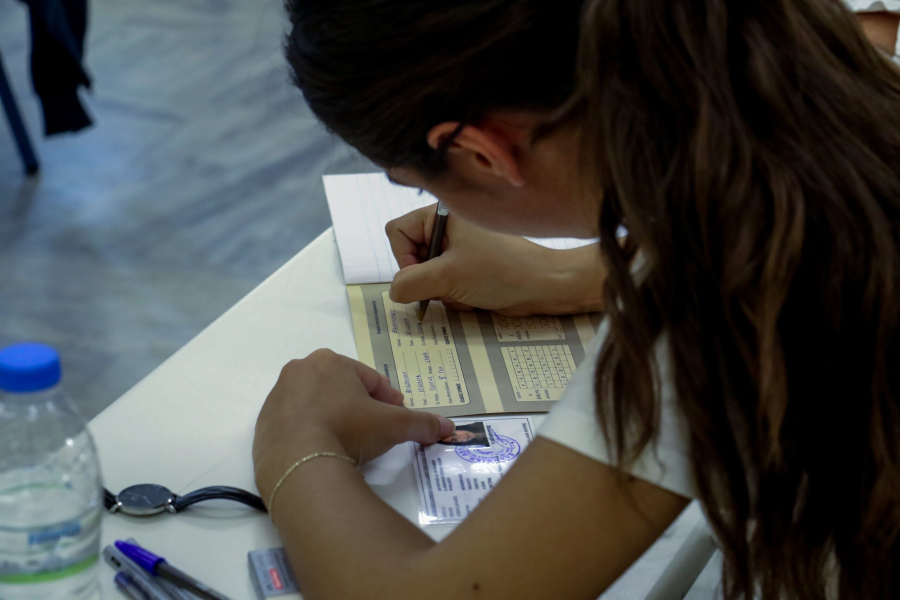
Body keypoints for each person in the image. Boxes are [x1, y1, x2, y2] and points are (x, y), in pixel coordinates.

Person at [251, 1, 900, 598]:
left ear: (484, 153)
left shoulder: (723, 308)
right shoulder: (836, 63)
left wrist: (298, 444)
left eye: (420, 185)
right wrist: (573, 276)